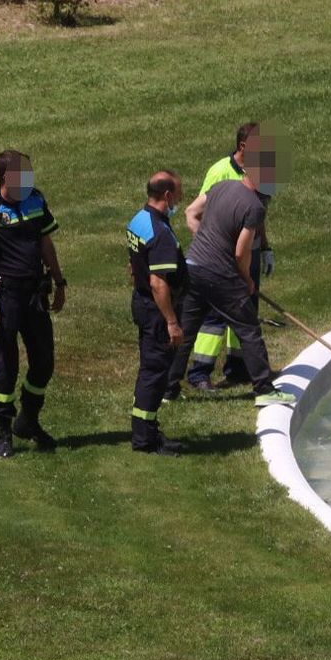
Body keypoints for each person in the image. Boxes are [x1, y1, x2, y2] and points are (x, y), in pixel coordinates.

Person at [164, 133, 294, 408]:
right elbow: (240, 252)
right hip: (220, 274)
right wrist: (246, 280)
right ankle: (264, 388)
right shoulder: (254, 207)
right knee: (249, 328)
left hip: (193, 267)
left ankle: (168, 388)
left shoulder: (222, 187)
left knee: (186, 331)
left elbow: (194, 211)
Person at [0, 149, 68, 458]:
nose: (29, 179)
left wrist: (59, 281)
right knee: (7, 367)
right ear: (5, 178)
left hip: (34, 295)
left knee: (44, 362)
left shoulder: (35, 199)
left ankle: (28, 420)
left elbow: (46, 243)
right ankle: (4, 432)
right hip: (3, 296)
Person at [126, 171, 189, 455]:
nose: (180, 199)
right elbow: (158, 282)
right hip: (157, 311)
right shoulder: (160, 232)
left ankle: (147, 430)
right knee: (155, 372)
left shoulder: (138, 220)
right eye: (179, 194)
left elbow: (134, 265)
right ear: (167, 195)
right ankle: (145, 439)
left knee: (150, 370)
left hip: (143, 303)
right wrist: (172, 322)